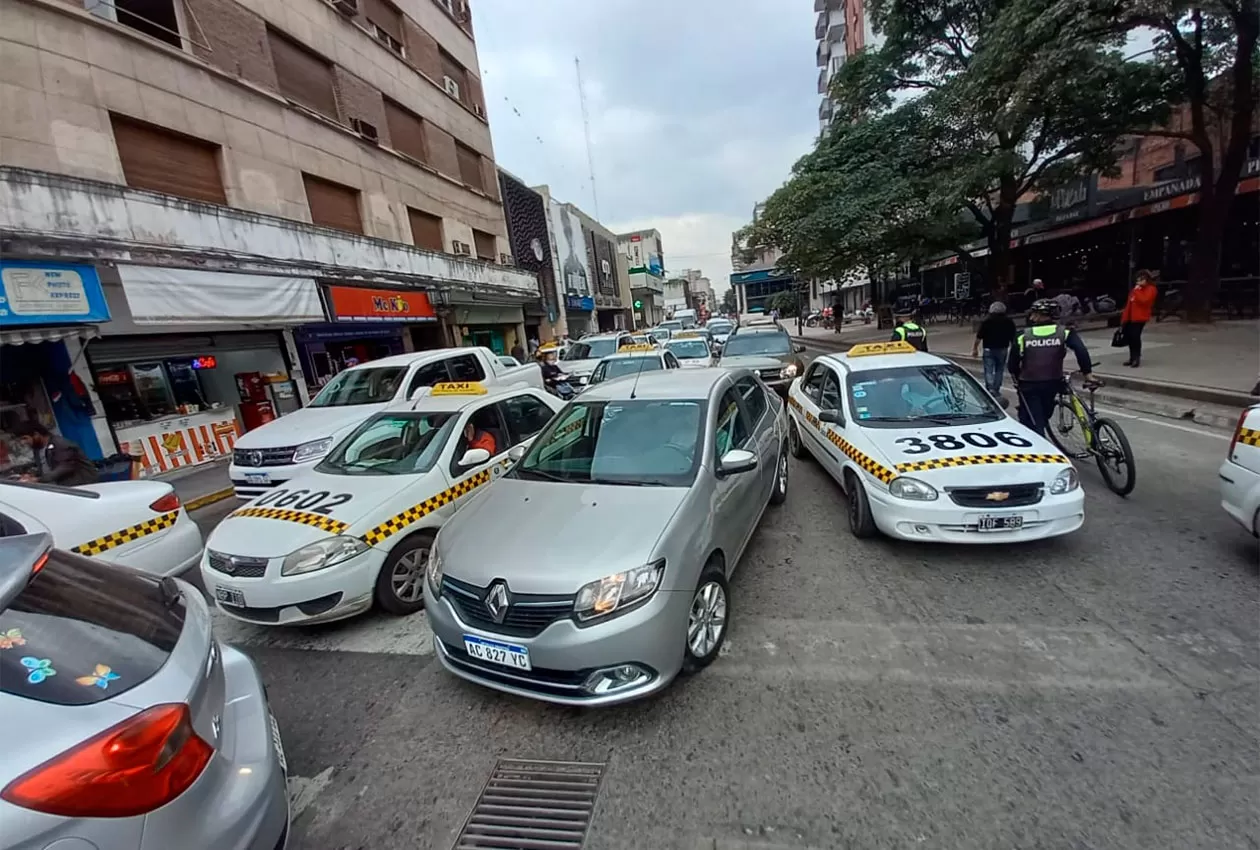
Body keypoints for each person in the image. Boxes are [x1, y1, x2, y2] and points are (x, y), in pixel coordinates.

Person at [1008, 299, 1095, 437]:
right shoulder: (1065, 332)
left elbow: (1012, 363)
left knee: (1035, 422)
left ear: (1038, 315)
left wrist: (1018, 378)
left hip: (1029, 383)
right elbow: (1081, 350)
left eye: (1033, 314)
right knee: (1044, 414)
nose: (1031, 317)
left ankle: (1040, 451)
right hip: (1053, 382)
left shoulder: (1023, 335)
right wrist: (1087, 374)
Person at [12, 422, 100, 486]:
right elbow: (45, 467)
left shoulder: (60, 444)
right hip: (63, 489)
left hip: (83, 487)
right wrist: (32, 474)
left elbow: (65, 467)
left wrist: (38, 479)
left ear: (36, 434)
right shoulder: (37, 449)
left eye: (25, 438)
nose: (23, 443)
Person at [970, 301, 1017, 399]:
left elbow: (979, 336)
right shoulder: (1009, 321)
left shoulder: (987, 321)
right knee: (999, 369)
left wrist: (975, 348)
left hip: (988, 348)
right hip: (1002, 348)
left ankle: (990, 388)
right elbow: (1013, 338)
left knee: (988, 369)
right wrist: (1014, 350)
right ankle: (996, 388)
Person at [1120, 269, 1158, 368]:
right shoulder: (1136, 289)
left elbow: (1144, 300)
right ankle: (1132, 357)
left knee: (1135, 336)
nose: (1139, 281)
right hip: (1130, 316)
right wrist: (1124, 317)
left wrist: (1137, 291)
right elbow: (1129, 303)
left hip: (1140, 316)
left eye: (1142, 279)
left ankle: (1136, 357)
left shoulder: (1151, 289)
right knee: (1130, 337)